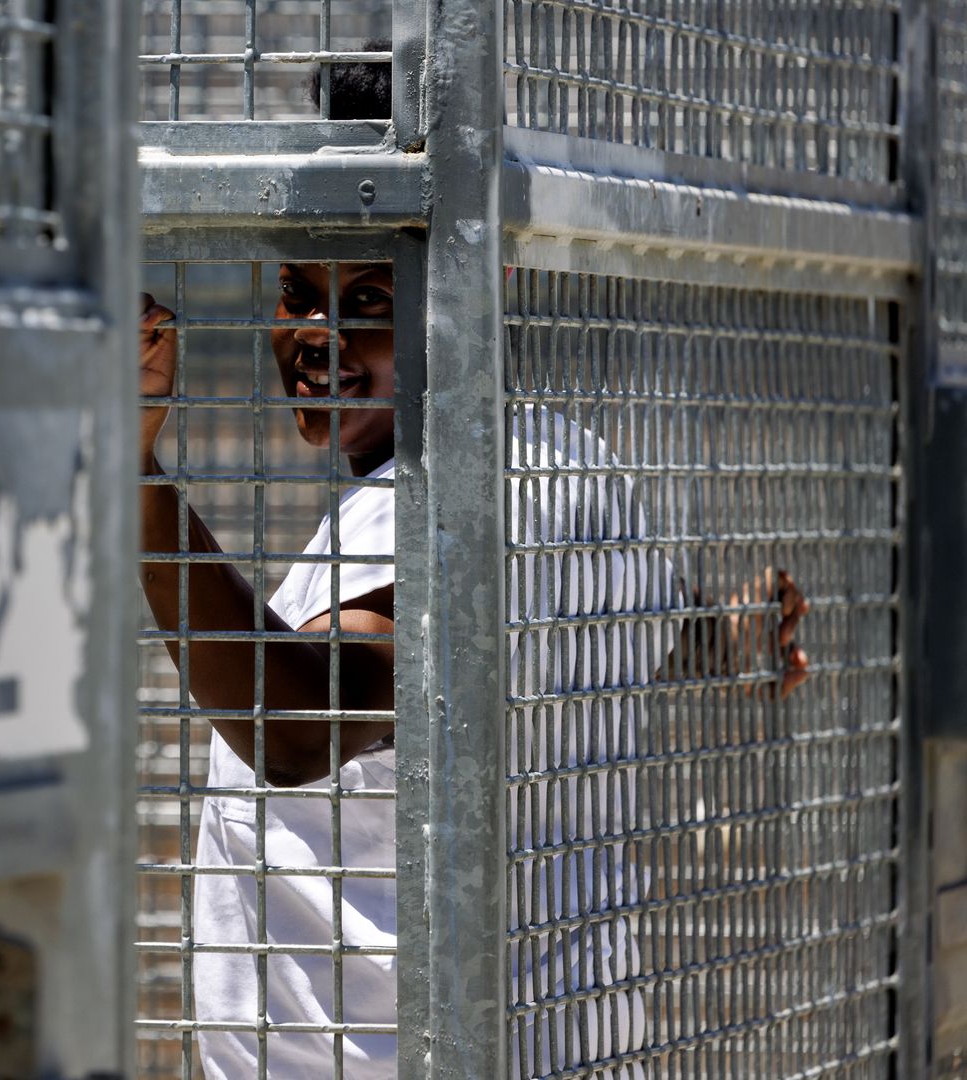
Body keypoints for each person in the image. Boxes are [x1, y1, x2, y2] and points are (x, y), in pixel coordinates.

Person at [137, 53, 812, 1080]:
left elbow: (296, 723)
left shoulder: (421, 502)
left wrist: (129, 471)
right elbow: (631, 624)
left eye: (367, 296)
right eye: (295, 291)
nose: (316, 338)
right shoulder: (560, 461)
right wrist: (738, 629)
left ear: (470, 283)